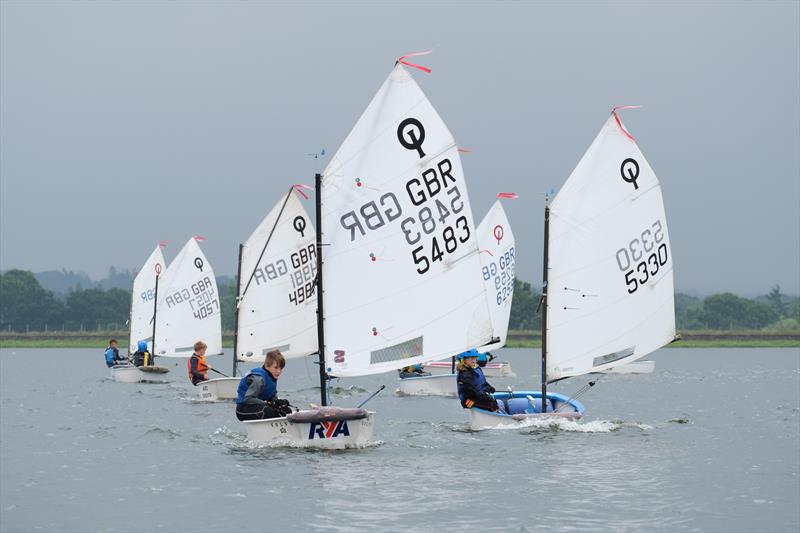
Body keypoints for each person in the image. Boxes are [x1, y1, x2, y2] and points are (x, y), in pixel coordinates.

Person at [235, 350, 293, 421]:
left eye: (281, 368)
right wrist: (266, 403)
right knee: (268, 411)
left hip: (257, 406)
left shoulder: (272, 377)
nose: (279, 371)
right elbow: (248, 399)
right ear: (267, 366)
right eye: (276, 367)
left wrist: (278, 402)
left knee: (287, 411)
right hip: (243, 409)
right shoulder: (259, 379)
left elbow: (272, 398)